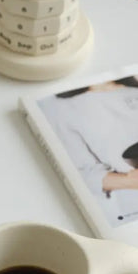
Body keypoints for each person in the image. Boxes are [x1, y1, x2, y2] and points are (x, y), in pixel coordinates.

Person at [39, 76, 138, 227]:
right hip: (129, 201)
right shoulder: (62, 108)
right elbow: (82, 175)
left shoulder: (133, 89)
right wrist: (130, 181)